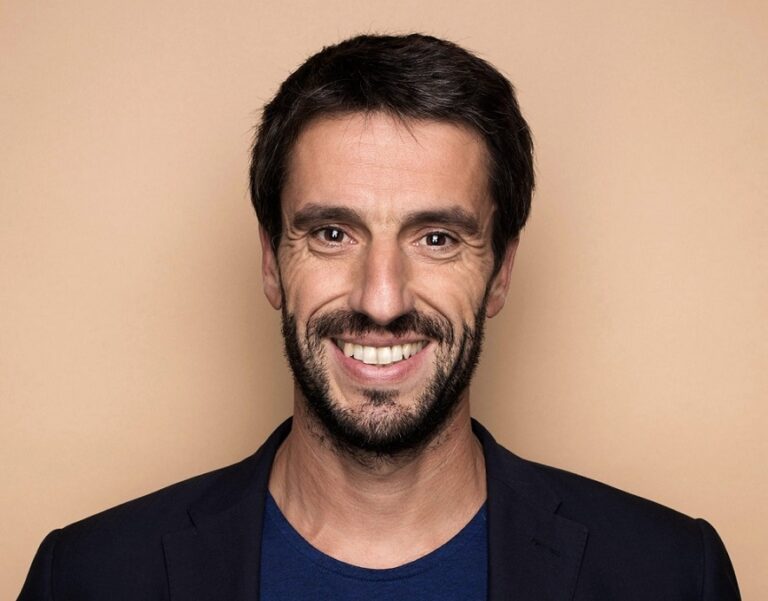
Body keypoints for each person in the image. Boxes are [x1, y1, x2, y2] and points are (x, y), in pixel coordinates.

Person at [18, 33, 740, 600]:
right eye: (333, 233)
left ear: (500, 273)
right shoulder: (85, 578)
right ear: (271, 261)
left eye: (438, 238)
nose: (382, 299)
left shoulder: (673, 575)